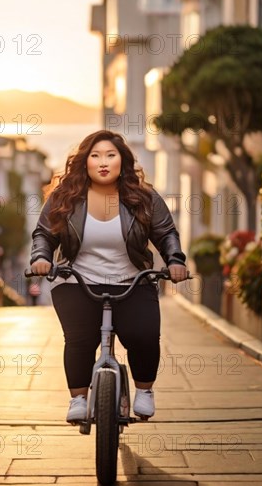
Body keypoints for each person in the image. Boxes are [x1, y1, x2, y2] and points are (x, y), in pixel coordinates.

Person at [30, 130, 187, 422]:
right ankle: (78, 398)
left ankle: (144, 391)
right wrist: (41, 257)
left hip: (132, 281)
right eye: (95, 155)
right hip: (76, 281)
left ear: (122, 161)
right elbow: (44, 233)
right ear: (85, 162)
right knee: (79, 340)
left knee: (144, 336)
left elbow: (166, 234)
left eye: (110, 155)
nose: (103, 162)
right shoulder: (65, 197)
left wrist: (175, 261)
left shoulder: (144, 198)